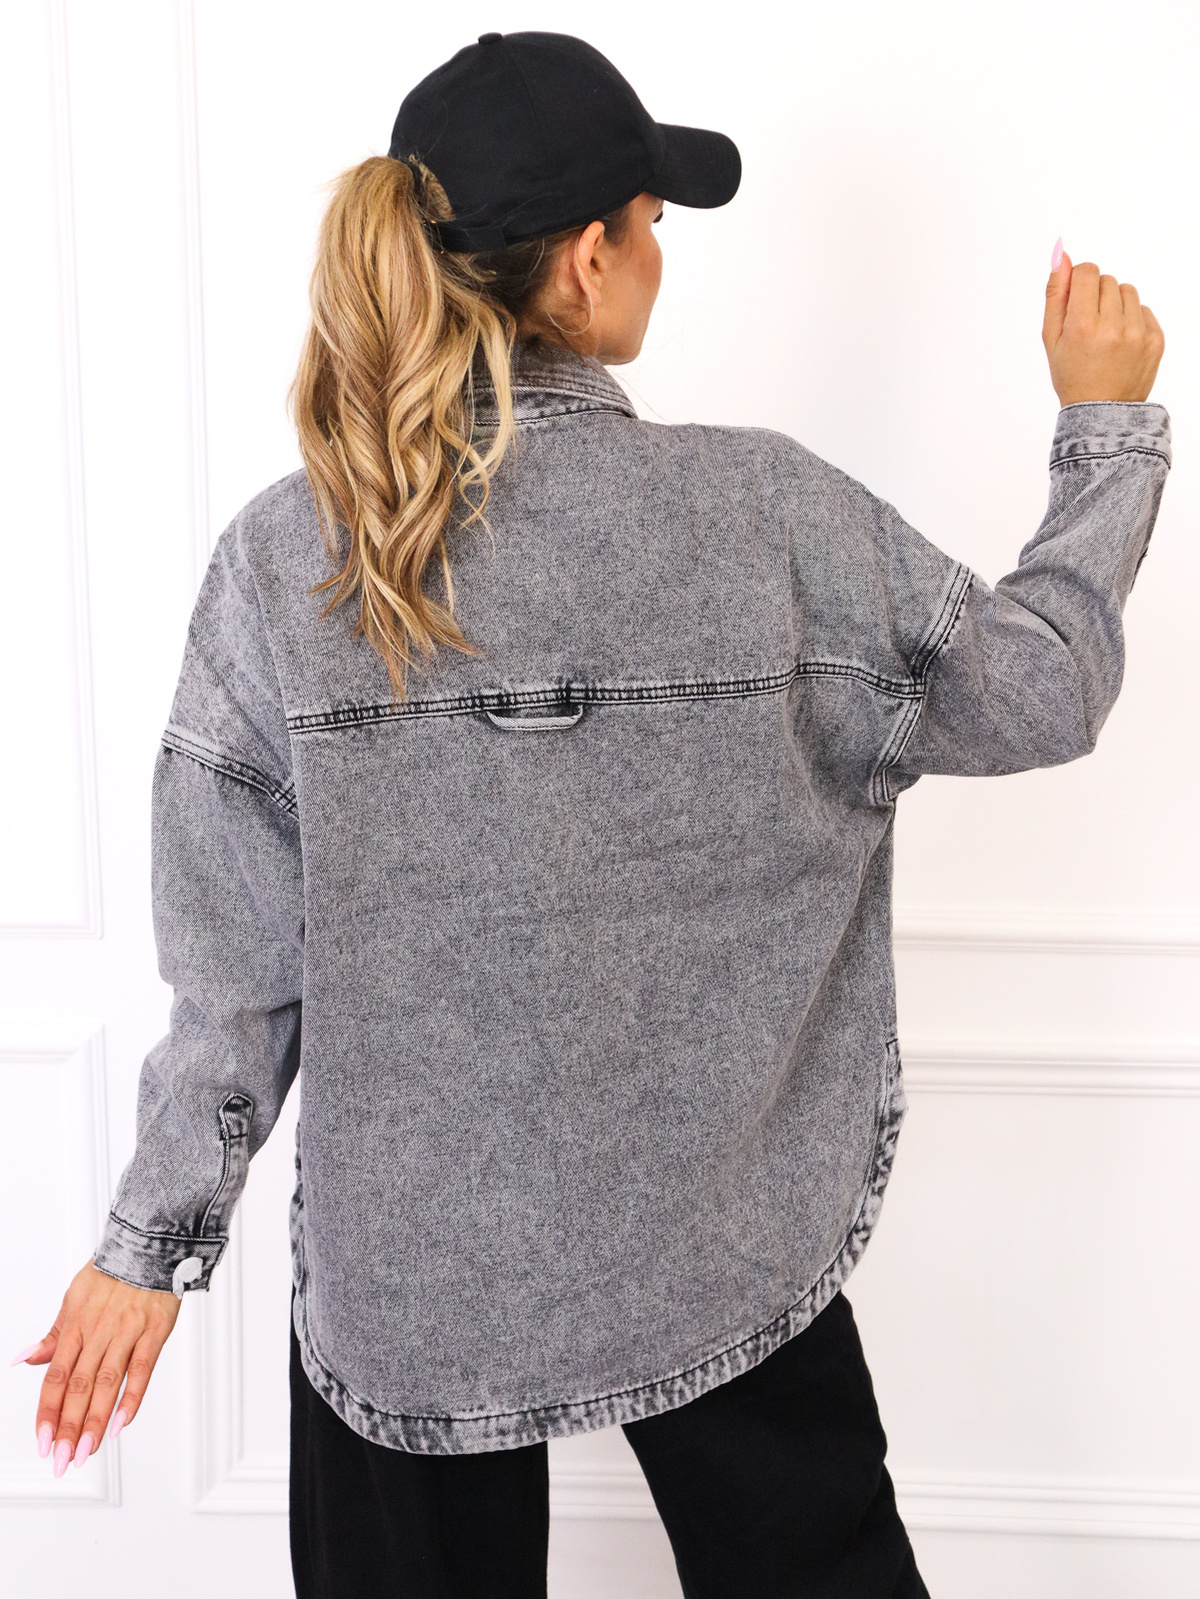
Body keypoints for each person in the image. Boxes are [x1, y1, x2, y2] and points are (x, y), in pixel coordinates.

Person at [13, 29, 1167, 1599]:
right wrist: (1107, 427)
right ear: (583, 260)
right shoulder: (767, 514)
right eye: (652, 220)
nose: (659, 253)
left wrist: (149, 1248)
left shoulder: (286, 559)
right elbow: (1040, 689)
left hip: (414, 1287)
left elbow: (236, 977)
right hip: (720, 1236)